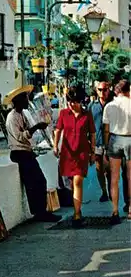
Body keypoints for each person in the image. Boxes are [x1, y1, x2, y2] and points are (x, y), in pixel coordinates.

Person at [6, 85, 61, 223]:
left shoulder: (22, 114)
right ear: (18, 101)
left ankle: (41, 211)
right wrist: (35, 127)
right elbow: (20, 137)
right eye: (25, 98)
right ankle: (39, 212)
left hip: (26, 151)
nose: (27, 101)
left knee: (39, 181)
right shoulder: (12, 117)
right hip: (19, 152)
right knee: (34, 182)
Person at [54, 86, 96, 227]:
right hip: (68, 152)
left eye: (75, 101)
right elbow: (58, 130)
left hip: (82, 152)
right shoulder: (64, 114)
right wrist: (55, 146)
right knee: (72, 183)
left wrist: (93, 151)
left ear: (80, 101)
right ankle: (77, 209)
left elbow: (93, 134)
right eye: (70, 101)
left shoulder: (87, 115)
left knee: (78, 181)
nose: (72, 104)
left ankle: (77, 215)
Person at [103, 79, 131, 223]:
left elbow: (106, 129)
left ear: (117, 91)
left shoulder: (109, 106)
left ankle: (115, 210)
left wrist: (106, 147)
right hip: (130, 138)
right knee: (130, 176)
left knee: (114, 178)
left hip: (114, 139)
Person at [88, 81, 111, 202]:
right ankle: (104, 192)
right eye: (100, 90)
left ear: (109, 90)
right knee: (99, 168)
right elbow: (87, 124)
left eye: (105, 89)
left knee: (109, 169)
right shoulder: (92, 106)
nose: (102, 92)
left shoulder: (113, 105)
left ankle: (112, 190)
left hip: (111, 142)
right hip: (96, 141)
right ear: (97, 91)